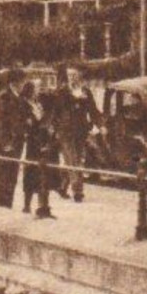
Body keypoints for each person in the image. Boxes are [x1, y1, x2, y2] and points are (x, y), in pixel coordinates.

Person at [54, 71, 98, 202]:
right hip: (66, 131)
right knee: (72, 159)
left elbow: (93, 110)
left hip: (81, 131)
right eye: (69, 76)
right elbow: (57, 110)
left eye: (75, 76)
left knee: (77, 159)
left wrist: (100, 125)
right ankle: (78, 191)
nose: (72, 78)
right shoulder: (63, 92)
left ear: (80, 77)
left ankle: (62, 186)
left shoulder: (86, 92)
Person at [0, 70, 28, 209]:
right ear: (15, 82)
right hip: (5, 143)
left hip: (16, 141)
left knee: (12, 174)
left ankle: (7, 204)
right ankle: (1, 204)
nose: (24, 85)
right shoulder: (4, 98)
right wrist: (5, 142)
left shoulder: (19, 97)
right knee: (4, 174)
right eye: (22, 82)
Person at [22, 80, 56, 218]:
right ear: (30, 89)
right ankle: (27, 205)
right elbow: (29, 123)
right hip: (32, 142)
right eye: (37, 88)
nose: (39, 90)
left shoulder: (39, 104)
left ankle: (43, 206)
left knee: (43, 173)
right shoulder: (25, 104)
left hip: (42, 139)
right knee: (31, 171)